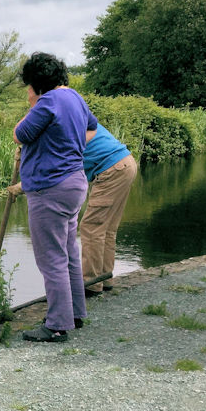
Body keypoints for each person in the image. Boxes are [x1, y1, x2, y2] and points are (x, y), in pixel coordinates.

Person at [9, 52, 97, 343]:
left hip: (50, 188)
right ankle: (75, 314)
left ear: (36, 82)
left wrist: (33, 105)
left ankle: (57, 324)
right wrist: (65, 147)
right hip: (74, 183)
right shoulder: (75, 97)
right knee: (69, 252)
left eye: (28, 86)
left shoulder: (47, 101)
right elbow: (91, 128)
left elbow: (20, 134)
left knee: (52, 258)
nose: (28, 91)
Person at [79, 124, 138, 296]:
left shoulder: (62, 123)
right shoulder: (76, 113)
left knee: (91, 227)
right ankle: (104, 278)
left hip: (111, 169)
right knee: (107, 228)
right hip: (125, 164)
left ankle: (90, 283)